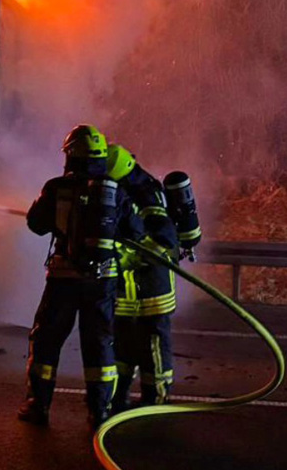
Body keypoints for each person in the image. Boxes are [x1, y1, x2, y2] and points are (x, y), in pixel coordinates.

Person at [17, 125, 146, 431]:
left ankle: (38, 405)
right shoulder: (116, 191)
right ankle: (99, 412)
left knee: (47, 342)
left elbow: (35, 224)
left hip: (63, 279)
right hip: (102, 283)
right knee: (100, 345)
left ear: (72, 155)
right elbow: (136, 232)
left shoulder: (55, 187)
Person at [106, 144, 202, 409]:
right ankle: (118, 396)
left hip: (152, 292)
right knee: (122, 348)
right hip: (126, 292)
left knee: (154, 350)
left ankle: (155, 398)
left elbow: (164, 237)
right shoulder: (124, 187)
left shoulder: (145, 194)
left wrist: (129, 257)